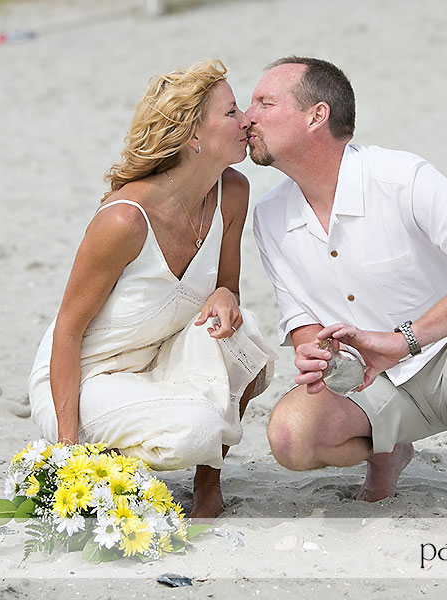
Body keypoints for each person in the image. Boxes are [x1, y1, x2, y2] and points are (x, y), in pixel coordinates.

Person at [247, 56, 447, 542]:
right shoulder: (269, 214)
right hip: (370, 381)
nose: (247, 117)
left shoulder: (400, 176)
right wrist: (316, 353)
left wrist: (404, 340)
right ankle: (390, 450)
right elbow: (300, 318)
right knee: (290, 436)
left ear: (316, 116)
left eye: (265, 103)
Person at [28, 59, 276, 519]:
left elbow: (227, 287)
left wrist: (226, 296)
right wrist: (67, 454)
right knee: (196, 428)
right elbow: (67, 330)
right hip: (87, 377)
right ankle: (104, 458)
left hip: (160, 356)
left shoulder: (233, 192)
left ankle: (208, 483)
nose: (246, 120)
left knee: (246, 338)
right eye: (231, 112)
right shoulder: (124, 220)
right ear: (192, 135)